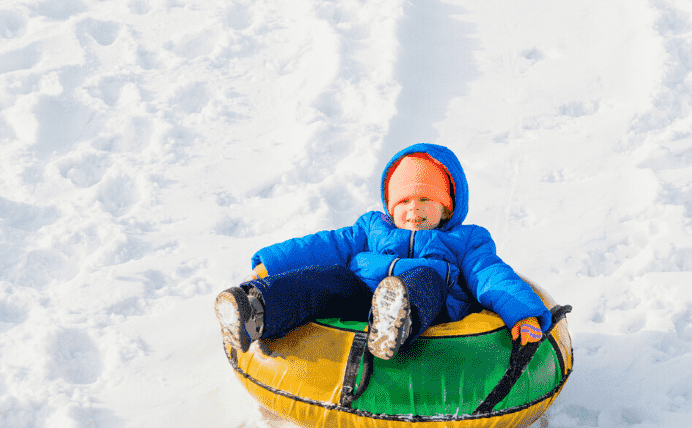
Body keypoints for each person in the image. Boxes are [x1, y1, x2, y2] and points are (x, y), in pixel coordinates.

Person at [215, 144, 549, 363]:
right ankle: (257, 309)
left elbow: (492, 275)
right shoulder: (371, 228)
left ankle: (397, 325)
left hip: (427, 305)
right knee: (331, 276)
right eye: (403, 201)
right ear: (390, 206)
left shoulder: (466, 239)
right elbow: (323, 245)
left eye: (425, 200)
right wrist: (268, 264)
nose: (413, 210)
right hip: (365, 296)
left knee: (425, 276)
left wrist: (522, 313)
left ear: (446, 209)